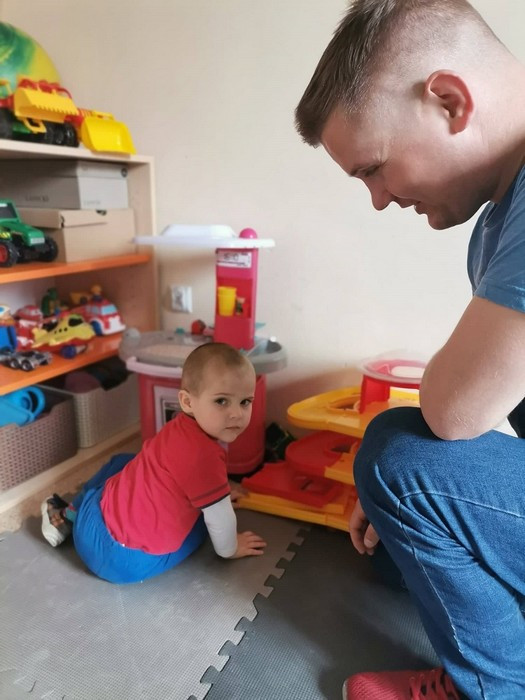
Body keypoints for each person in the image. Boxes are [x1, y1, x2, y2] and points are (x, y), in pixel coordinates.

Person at [295, 1, 525, 698]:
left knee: (395, 455)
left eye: (374, 168)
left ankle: (498, 686)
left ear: (449, 102)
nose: (377, 199)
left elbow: (456, 408)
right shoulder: (497, 221)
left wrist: (404, 478)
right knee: (390, 531)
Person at [41, 342, 267, 584]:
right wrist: (231, 548)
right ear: (187, 402)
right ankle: (70, 513)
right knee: (203, 525)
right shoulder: (206, 458)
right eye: (222, 401)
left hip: (88, 528)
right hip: (125, 564)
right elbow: (220, 518)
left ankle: (68, 513)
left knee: (124, 463)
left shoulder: (177, 426)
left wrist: (218, 493)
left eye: (245, 401)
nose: (237, 414)